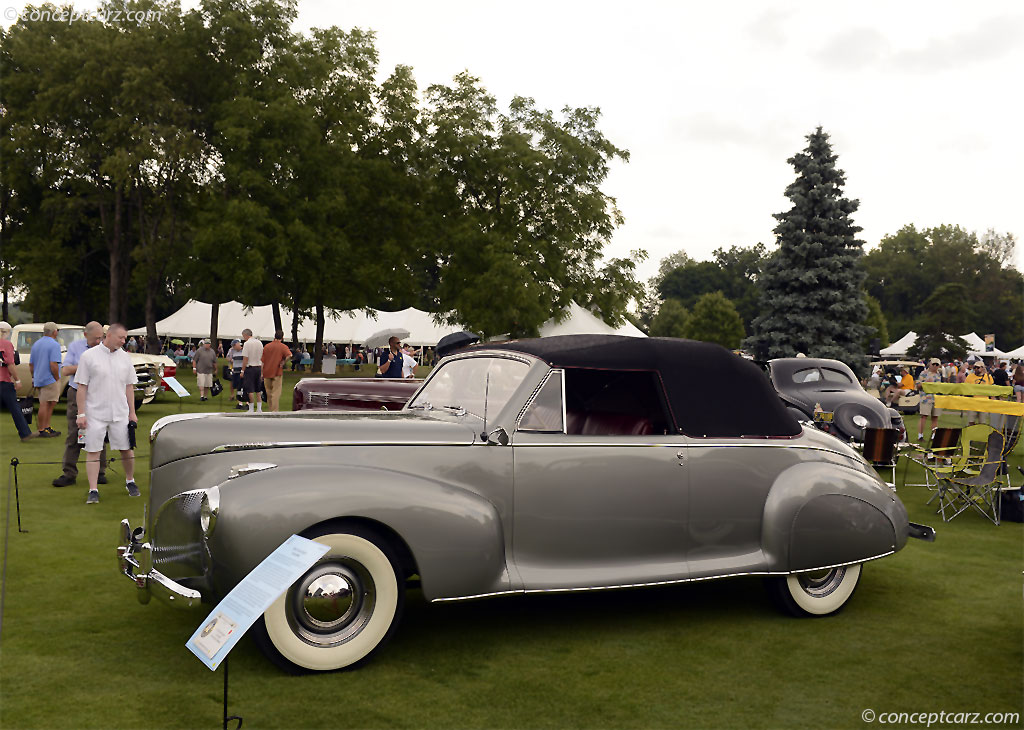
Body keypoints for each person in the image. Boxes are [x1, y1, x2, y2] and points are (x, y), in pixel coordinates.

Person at [75, 323, 139, 504]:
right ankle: (93, 489)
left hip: (120, 413)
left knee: (127, 449)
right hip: (95, 413)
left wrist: (132, 412)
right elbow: (82, 386)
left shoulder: (125, 358)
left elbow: (129, 386)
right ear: (109, 335)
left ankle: (130, 481)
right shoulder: (88, 356)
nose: (124, 341)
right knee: (93, 450)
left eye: (125, 338)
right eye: (121, 337)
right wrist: (81, 414)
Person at [52, 321, 108, 487]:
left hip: (98, 394)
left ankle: (100, 471)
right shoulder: (75, 347)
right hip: (77, 394)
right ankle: (69, 473)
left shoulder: (106, 349)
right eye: (95, 338)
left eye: (101, 338)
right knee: (74, 433)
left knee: (99, 432)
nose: (99, 342)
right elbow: (66, 370)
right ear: (85, 335)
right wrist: (86, 365)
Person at [0, 321, 36, 442]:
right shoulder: (6, 344)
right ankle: (25, 433)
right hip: (4, 381)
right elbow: (10, 364)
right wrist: (17, 379)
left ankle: (25, 433)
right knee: (15, 408)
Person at [28, 321, 62, 437]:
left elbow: (31, 365)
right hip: (50, 378)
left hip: (39, 378)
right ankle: (42, 429)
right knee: (46, 403)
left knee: (48, 403)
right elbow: (53, 364)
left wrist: (34, 377)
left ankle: (46, 427)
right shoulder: (54, 345)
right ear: (54, 332)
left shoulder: (36, 344)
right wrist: (57, 378)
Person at [261, 330, 291, 412]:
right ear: (282, 337)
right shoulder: (283, 347)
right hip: (277, 371)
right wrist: (283, 362)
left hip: (266, 371)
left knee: (268, 392)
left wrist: (261, 373)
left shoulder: (267, 346)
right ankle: (274, 410)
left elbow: (262, 361)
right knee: (276, 393)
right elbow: (289, 355)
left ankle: (270, 409)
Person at [916, 358, 943, 441]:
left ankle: (933, 436)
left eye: (937, 365)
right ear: (930, 364)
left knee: (935, 417)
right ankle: (920, 436)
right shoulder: (924, 373)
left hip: (936, 398)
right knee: (924, 416)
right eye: (933, 364)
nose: (935, 366)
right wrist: (926, 383)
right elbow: (918, 386)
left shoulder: (939, 374)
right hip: (926, 398)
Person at [241, 328, 264, 413]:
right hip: (258, 367)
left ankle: (251, 408)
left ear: (246, 335)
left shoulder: (247, 344)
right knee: (258, 389)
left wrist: (242, 370)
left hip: (250, 367)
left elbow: (245, 358)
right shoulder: (259, 343)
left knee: (250, 389)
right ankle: (259, 408)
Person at [964, 360, 993, 426]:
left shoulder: (988, 377)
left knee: (982, 422)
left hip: (984, 402)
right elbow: (965, 389)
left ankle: (980, 435)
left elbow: (991, 389)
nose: (976, 369)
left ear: (983, 368)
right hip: (972, 402)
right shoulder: (969, 376)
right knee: (971, 421)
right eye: (975, 367)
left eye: (978, 367)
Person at [229, 339, 245, 407]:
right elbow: (230, 359)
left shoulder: (244, 350)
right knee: (237, 387)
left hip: (241, 372)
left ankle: (247, 402)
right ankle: (240, 403)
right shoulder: (233, 351)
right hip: (235, 371)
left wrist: (243, 371)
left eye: (234, 345)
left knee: (243, 387)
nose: (233, 347)